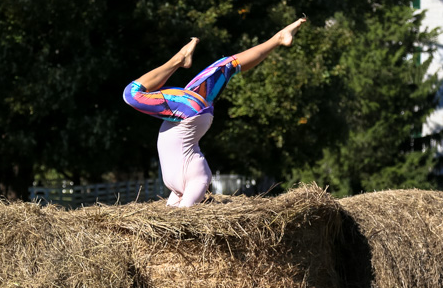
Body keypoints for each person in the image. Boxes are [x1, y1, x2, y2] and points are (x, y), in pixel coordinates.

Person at [123, 17, 306, 207]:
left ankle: (179, 59)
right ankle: (279, 37)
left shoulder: (188, 184)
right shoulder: (196, 181)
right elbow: (179, 219)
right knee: (228, 65)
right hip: (193, 111)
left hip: (193, 112)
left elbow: (175, 221)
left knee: (132, 94)